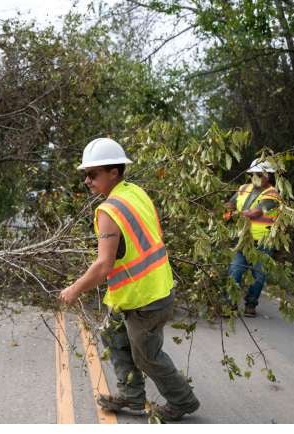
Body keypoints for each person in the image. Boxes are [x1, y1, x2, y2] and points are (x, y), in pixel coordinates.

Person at [59, 138, 200, 422]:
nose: (87, 180)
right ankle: (132, 396)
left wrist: (73, 290)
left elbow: (102, 265)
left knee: (146, 356)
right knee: (113, 335)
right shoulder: (134, 192)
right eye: (86, 174)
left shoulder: (108, 211)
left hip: (145, 298)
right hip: (147, 289)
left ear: (114, 172)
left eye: (93, 174)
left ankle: (182, 401)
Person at [223, 158, 282, 317]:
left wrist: (234, 215)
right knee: (235, 270)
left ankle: (251, 304)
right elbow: (230, 204)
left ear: (267, 176)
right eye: (253, 174)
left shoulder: (272, 195)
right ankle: (230, 304)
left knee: (258, 275)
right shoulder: (243, 188)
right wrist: (227, 212)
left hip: (262, 242)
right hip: (242, 239)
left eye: (258, 174)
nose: (254, 177)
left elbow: (256, 213)